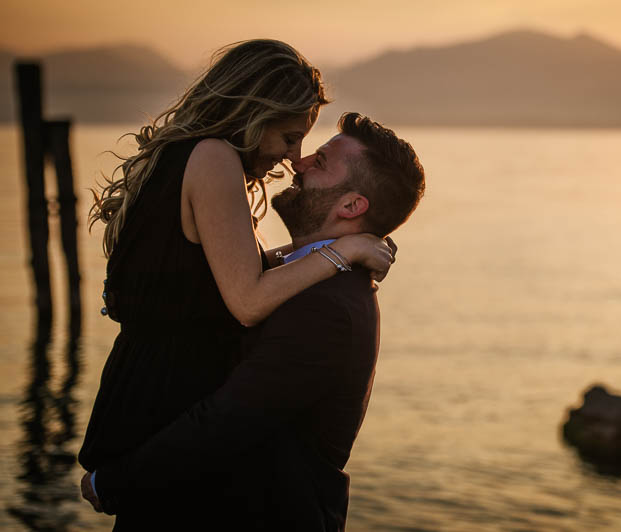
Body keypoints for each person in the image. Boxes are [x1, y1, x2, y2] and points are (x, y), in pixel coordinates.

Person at [79, 41, 395, 528]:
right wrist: (343, 251)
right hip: (164, 392)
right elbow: (247, 301)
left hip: (146, 384)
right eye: (290, 137)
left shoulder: (186, 158)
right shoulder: (212, 158)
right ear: (254, 113)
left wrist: (302, 255)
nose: (293, 157)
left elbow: (221, 274)